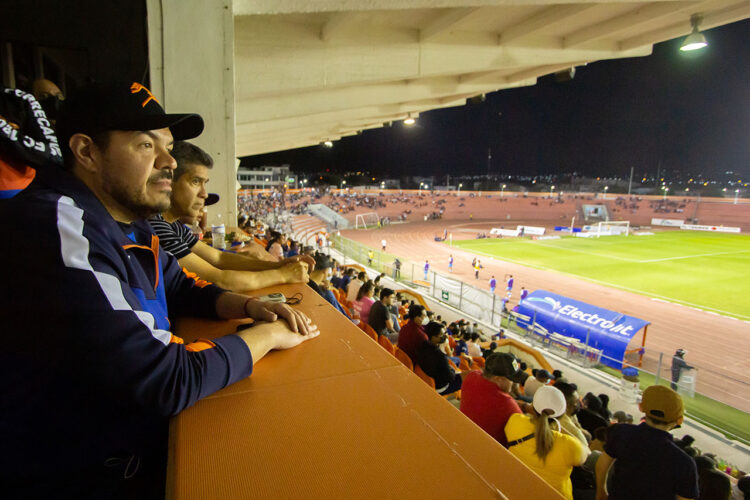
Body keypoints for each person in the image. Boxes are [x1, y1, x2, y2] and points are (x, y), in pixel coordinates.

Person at [0, 81, 319, 497]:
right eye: (146, 145)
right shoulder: (60, 229)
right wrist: (268, 335)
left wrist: (248, 306)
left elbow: (180, 286)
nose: (169, 161)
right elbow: (167, 378)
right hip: (81, 475)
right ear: (86, 152)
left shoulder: (126, 220)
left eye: (167, 146)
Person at [147, 141, 312, 291]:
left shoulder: (173, 225)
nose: (204, 194)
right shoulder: (156, 228)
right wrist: (283, 275)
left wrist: (279, 265)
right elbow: (219, 280)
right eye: (195, 182)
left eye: (204, 183)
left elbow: (219, 258)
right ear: (169, 182)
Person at [596, 385, 699, 500]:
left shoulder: (621, 432)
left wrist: (601, 492)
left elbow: (602, 465)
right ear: (679, 420)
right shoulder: (684, 463)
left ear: (641, 407)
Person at [505, 386, 589, 500]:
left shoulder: (515, 421)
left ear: (533, 407)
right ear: (563, 413)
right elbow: (586, 452)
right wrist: (561, 426)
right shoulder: (570, 445)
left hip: (516, 488)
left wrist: (528, 408)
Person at [460, 352, 525, 447]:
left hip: (466, 433)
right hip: (488, 448)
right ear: (498, 379)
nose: (514, 384)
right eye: (512, 380)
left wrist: (524, 406)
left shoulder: (471, 375)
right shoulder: (507, 404)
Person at [416, 322, 463, 396]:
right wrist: (452, 370)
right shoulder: (440, 356)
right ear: (433, 337)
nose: (445, 336)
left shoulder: (421, 346)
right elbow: (450, 377)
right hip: (439, 387)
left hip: (427, 378)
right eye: (441, 334)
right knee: (464, 377)